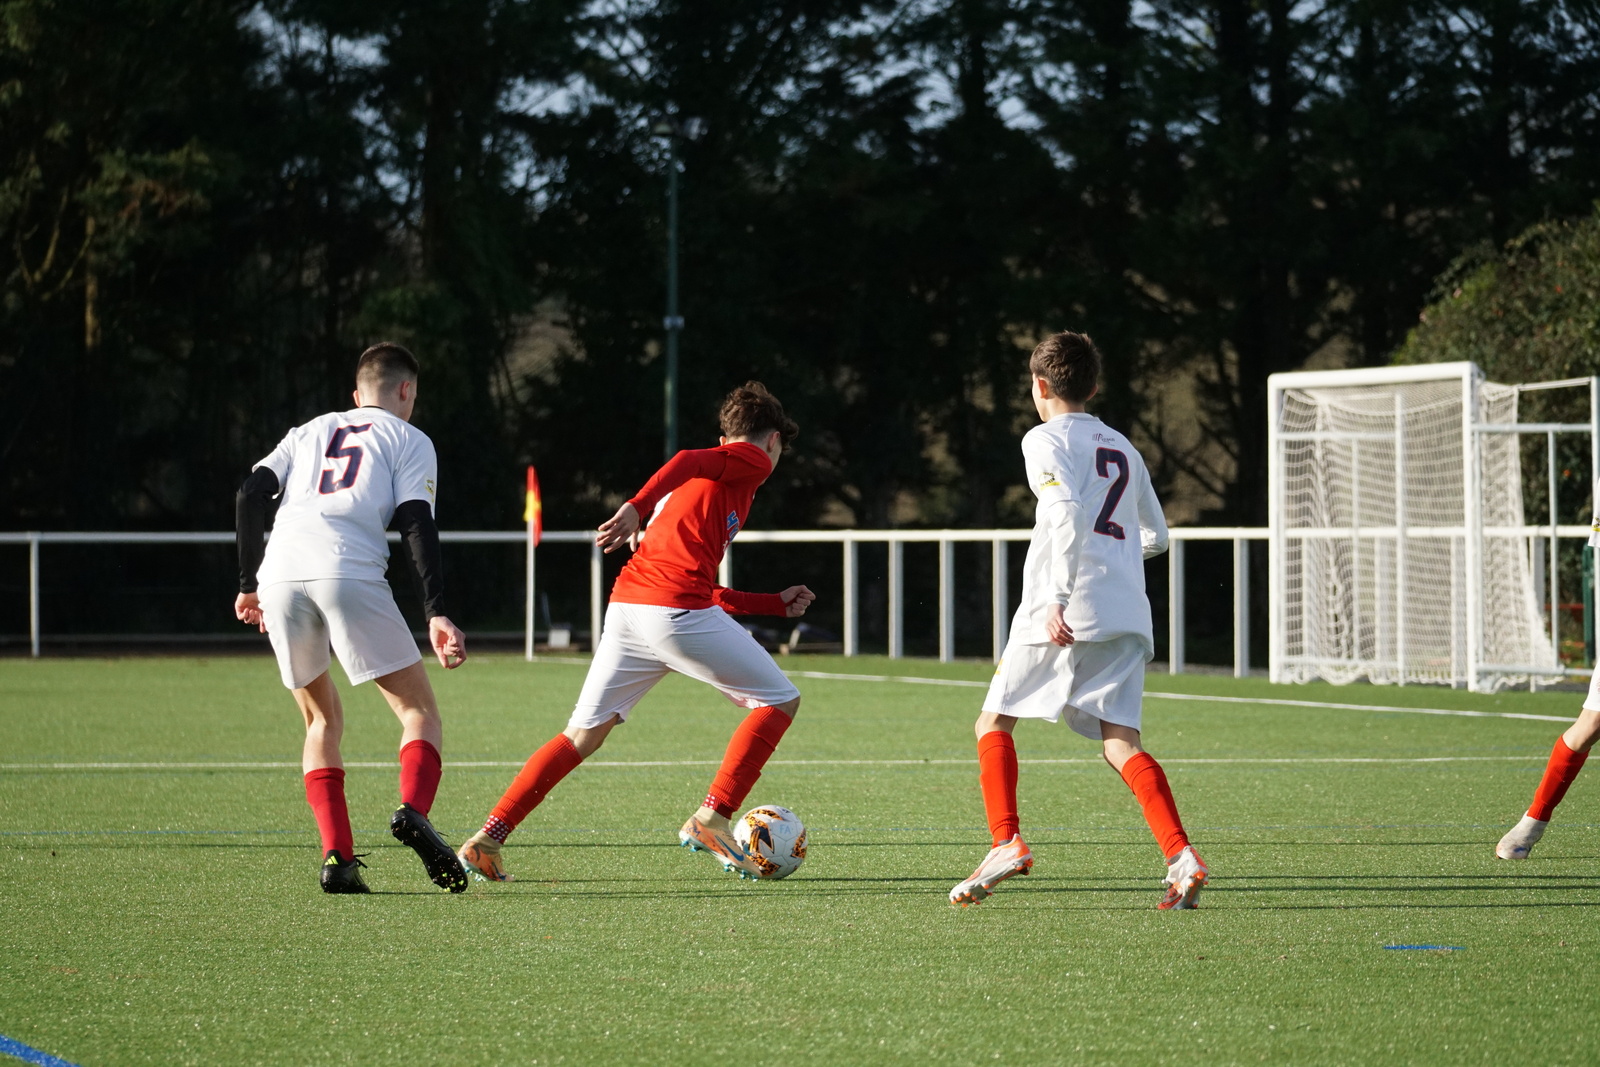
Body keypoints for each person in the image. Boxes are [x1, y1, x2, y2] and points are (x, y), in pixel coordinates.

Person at [456, 381, 814, 883]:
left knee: (581, 736)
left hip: (629, 610)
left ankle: (487, 839)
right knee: (780, 700)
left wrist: (770, 604)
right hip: (672, 613)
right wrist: (635, 506)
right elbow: (687, 459)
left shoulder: (702, 486)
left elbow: (705, 586)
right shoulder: (749, 461)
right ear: (772, 441)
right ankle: (713, 816)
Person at [949, 331, 1208, 909]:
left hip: (1063, 610)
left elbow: (1064, 510)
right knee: (1121, 743)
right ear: (1092, 388)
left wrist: (1058, 596)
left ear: (1039, 387)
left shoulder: (1043, 438)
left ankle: (1006, 842)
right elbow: (1157, 537)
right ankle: (1181, 857)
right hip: (1125, 612)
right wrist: (1114, 566)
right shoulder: (1123, 446)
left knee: (993, 723)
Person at [234, 342, 469, 895]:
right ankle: (413, 810)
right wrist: (436, 612)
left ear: (356, 395)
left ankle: (338, 858)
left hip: (279, 576)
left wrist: (248, 585)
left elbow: (249, 494)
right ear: (406, 389)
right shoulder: (410, 439)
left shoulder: (307, 431)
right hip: (347, 571)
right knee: (418, 712)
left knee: (321, 721)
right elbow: (416, 523)